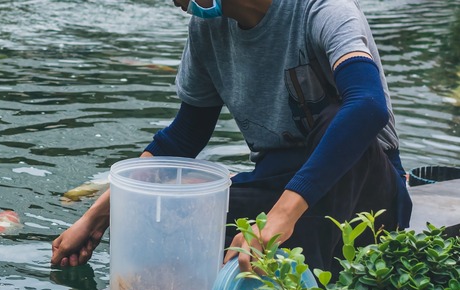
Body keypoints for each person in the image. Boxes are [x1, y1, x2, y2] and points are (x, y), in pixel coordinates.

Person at [51, 0, 412, 276]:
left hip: (366, 189)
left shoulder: (324, 9)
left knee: (338, 118)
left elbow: (367, 106)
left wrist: (278, 220)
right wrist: (98, 216)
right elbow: (183, 137)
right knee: (171, 218)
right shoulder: (206, 30)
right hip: (278, 182)